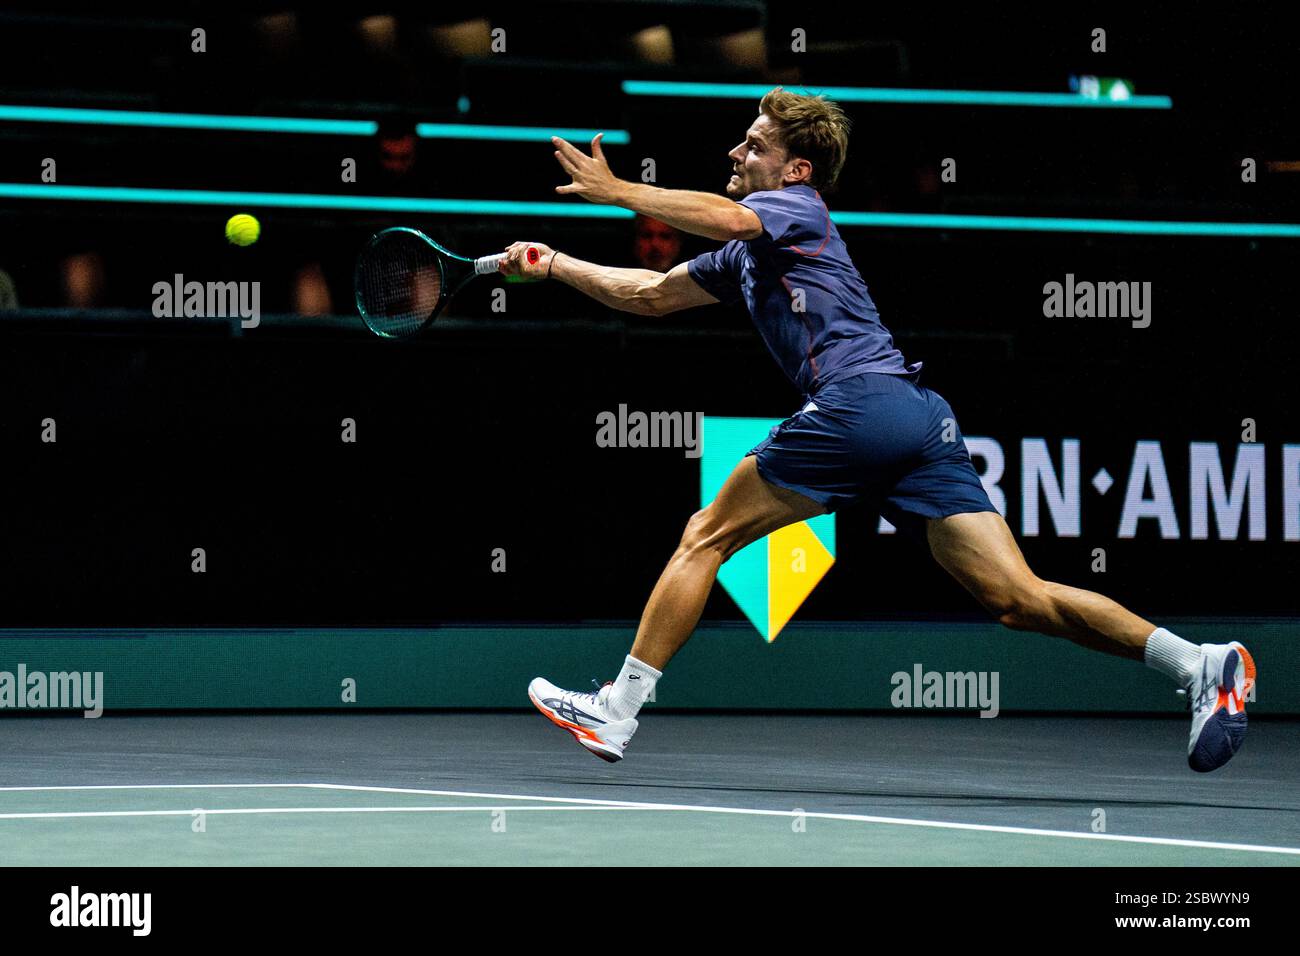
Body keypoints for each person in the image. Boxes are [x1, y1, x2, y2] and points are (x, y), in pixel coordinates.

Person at [498, 87, 1254, 773]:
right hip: (915, 418)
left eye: (754, 145)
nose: (736, 151)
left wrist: (618, 191)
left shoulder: (800, 210)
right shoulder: (745, 254)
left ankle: (618, 710)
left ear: (796, 169)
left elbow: (728, 215)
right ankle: (1199, 664)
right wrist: (557, 262)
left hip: (859, 404)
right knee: (1017, 598)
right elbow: (655, 294)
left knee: (707, 533)